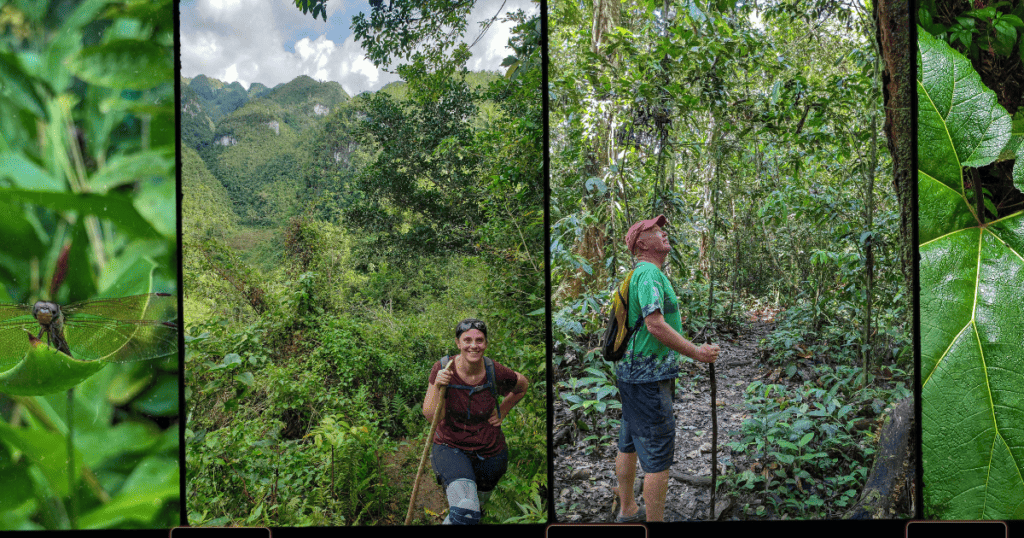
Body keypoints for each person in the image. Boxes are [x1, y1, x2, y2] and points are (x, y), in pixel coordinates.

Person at [613, 214, 720, 523]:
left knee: (630, 438)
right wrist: (697, 352)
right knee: (658, 454)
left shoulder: (644, 273)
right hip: (647, 376)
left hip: (634, 373)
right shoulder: (647, 274)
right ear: (641, 244)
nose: (663, 234)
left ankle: (628, 509)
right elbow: (654, 324)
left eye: (662, 230)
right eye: (655, 231)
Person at [422, 318, 529, 525]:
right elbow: (431, 416)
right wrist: (437, 385)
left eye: (479, 340)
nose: (473, 345)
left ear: (486, 344)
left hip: (490, 452)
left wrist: (503, 410)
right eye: (467, 340)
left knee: (477, 508)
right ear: (458, 343)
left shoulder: (493, 370)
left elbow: (522, 385)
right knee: (465, 511)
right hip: (451, 446)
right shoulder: (443, 368)